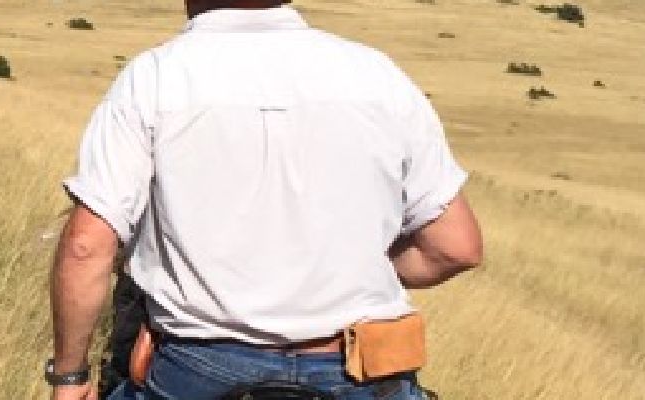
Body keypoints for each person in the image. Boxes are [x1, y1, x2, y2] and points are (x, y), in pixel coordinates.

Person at [44, 1, 484, 399]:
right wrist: (341, 273)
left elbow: (86, 247)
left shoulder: (153, 78)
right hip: (361, 370)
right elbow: (456, 247)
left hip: (197, 368)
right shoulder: (379, 76)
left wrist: (70, 376)